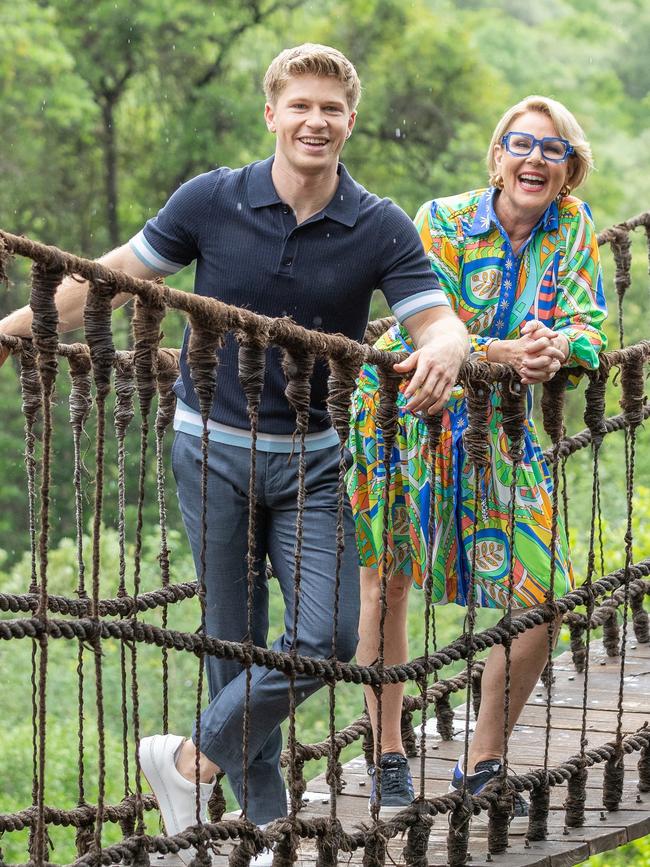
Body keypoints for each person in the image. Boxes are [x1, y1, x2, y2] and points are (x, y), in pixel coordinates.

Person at [0, 44, 468, 863]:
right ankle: (259, 829)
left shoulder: (379, 223)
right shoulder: (212, 200)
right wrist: (12, 330)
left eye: (331, 109)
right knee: (233, 641)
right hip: (208, 449)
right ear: (272, 115)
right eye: (301, 106)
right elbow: (116, 276)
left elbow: (433, 316)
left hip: (314, 457)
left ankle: (186, 760)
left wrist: (450, 348)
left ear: (350, 122)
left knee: (323, 638)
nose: (315, 121)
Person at [347, 95, 607, 826]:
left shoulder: (573, 227)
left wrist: (560, 347)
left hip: (502, 433)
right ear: (496, 158)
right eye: (520, 145)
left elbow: (589, 323)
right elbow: (420, 330)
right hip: (407, 418)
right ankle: (389, 753)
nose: (534, 159)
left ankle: (484, 759)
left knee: (542, 595)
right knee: (387, 582)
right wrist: (501, 351)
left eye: (551, 150)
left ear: (569, 169)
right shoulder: (441, 220)